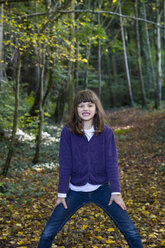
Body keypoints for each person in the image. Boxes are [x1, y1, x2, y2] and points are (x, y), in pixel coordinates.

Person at [38, 90, 143, 248]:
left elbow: (111, 163)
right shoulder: (68, 132)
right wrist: (61, 194)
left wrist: (116, 192)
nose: (85, 109)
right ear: (76, 109)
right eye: (81, 106)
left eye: (89, 105)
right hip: (75, 191)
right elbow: (65, 163)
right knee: (47, 233)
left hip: (102, 190)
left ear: (96, 108)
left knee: (131, 231)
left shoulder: (106, 132)